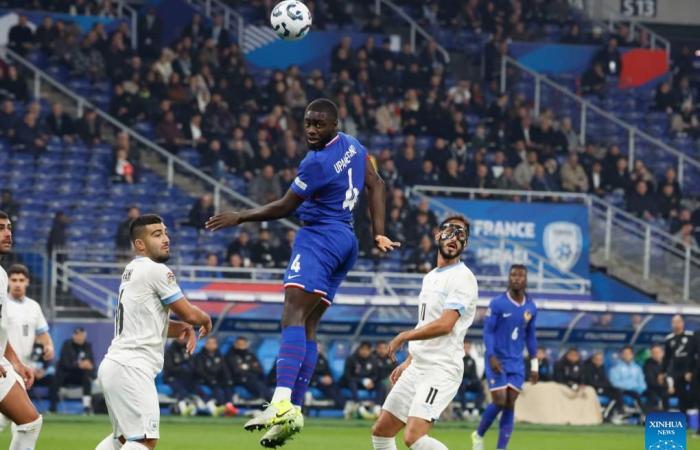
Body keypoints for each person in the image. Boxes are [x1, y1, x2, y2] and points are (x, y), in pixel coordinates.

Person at [206, 98, 399, 447]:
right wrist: (378, 232)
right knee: (308, 325)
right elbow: (377, 185)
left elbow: (284, 206)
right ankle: (293, 412)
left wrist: (240, 217)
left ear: (334, 125)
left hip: (320, 239)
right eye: (308, 122)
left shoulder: (316, 162)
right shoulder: (355, 147)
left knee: (291, 315)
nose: (312, 129)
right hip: (347, 241)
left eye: (320, 124)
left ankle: (281, 403)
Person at [94, 214, 212, 450]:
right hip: (132, 367)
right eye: (157, 235)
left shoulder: (131, 270)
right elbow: (189, 313)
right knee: (145, 440)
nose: (166, 239)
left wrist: (183, 328)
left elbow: (153, 323)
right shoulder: (156, 271)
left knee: (122, 439)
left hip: (116, 365)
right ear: (140, 244)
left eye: (165, 233)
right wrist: (204, 319)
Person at [371, 215, 478, 450]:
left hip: (441, 369)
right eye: (450, 231)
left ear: (465, 245)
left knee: (414, 437)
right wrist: (410, 359)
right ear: (438, 235)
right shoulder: (430, 278)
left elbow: (445, 325)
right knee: (382, 431)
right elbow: (425, 323)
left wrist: (403, 336)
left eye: (462, 235)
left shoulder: (463, 278)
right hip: (418, 365)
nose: (455, 238)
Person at [472, 265, 538, 450]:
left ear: (525, 280)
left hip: (516, 361)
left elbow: (531, 337)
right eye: (513, 275)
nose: (516, 278)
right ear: (509, 279)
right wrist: (491, 355)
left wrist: (535, 366)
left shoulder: (531, 307)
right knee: (500, 400)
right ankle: (478, 435)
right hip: (497, 358)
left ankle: (501, 448)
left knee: (510, 402)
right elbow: (488, 332)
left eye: (520, 275)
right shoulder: (498, 303)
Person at [0, 210, 43, 448]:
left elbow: (1, 329)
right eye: (0, 228)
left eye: (9, 228)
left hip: (3, 365)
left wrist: (16, 363)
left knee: (30, 422)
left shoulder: (2, 276)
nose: (7, 233)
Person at [49, 327, 95, 414]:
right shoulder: (67, 344)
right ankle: (52, 408)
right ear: (73, 335)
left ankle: (86, 407)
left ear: (85, 336)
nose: (79, 337)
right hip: (66, 375)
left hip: (80, 376)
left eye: (81, 335)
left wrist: (88, 365)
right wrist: (79, 365)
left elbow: (91, 363)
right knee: (55, 379)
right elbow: (65, 363)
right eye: (77, 335)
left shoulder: (87, 346)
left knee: (87, 377)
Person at [661, 315, 696, 415]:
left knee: (694, 394)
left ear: (683, 323)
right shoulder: (669, 339)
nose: (676, 324)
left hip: (690, 370)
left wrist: (690, 371)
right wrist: (662, 372)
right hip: (676, 371)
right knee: (680, 395)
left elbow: (694, 354)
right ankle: (681, 421)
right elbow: (666, 358)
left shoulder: (691, 336)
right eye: (674, 322)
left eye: (678, 322)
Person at [194, 336, 234, 416]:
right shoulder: (199, 356)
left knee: (228, 387)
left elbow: (225, 370)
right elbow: (199, 371)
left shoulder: (220, 356)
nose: (211, 345)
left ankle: (229, 407)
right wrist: (211, 379)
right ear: (205, 344)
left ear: (216, 345)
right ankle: (216, 408)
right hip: (203, 381)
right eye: (209, 343)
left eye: (213, 343)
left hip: (216, 381)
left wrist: (228, 380)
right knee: (217, 391)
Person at [582, 351, 624, 423]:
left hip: (603, 388)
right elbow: (591, 382)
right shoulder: (588, 368)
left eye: (601, 360)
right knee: (615, 394)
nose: (599, 361)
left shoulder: (601, 368)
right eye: (597, 359)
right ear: (593, 360)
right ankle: (609, 414)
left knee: (617, 391)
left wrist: (607, 385)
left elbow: (606, 381)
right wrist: (604, 385)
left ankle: (617, 411)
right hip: (593, 389)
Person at [226, 336, 270, 402]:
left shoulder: (251, 355)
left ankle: (267, 399)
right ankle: (268, 399)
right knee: (252, 379)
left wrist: (246, 367)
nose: (241, 346)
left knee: (263, 378)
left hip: (253, 377)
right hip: (238, 379)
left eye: (243, 344)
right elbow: (237, 371)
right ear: (235, 344)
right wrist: (251, 367)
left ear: (246, 345)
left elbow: (259, 369)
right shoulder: (230, 356)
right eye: (239, 344)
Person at [609, 346, 647, 416]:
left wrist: (639, 389)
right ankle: (621, 413)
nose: (627, 356)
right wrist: (630, 387)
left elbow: (642, 383)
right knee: (618, 392)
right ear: (621, 355)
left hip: (636, 391)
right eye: (625, 353)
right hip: (622, 391)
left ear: (632, 355)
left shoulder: (637, 368)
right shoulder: (616, 368)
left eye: (629, 353)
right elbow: (614, 382)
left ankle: (646, 416)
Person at [458, 340, 484, 417]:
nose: (466, 349)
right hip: (461, 383)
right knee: (461, 387)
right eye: (465, 347)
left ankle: (476, 410)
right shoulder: (458, 359)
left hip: (470, 383)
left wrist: (472, 381)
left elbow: (474, 375)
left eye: (468, 347)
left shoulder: (472, 360)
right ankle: (464, 410)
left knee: (480, 387)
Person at [643, 344, 669, 411]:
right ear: (651, 354)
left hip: (669, 387)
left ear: (663, 353)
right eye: (654, 353)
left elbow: (672, 375)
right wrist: (664, 385)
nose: (656, 354)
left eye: (658, 352)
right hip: (654, 388)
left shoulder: (668, 362)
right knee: (654, 395)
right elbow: (650, 381)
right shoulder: (648, 364)